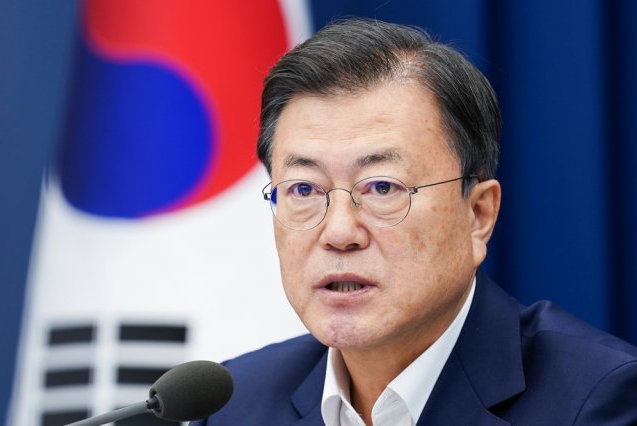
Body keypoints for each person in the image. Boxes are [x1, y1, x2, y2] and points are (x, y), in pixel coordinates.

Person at [191, 19, 637, 425]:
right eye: (304, 190)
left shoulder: (596, 401)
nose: (340, 233)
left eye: (382, 187)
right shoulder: (235, 405)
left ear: (478, 214)